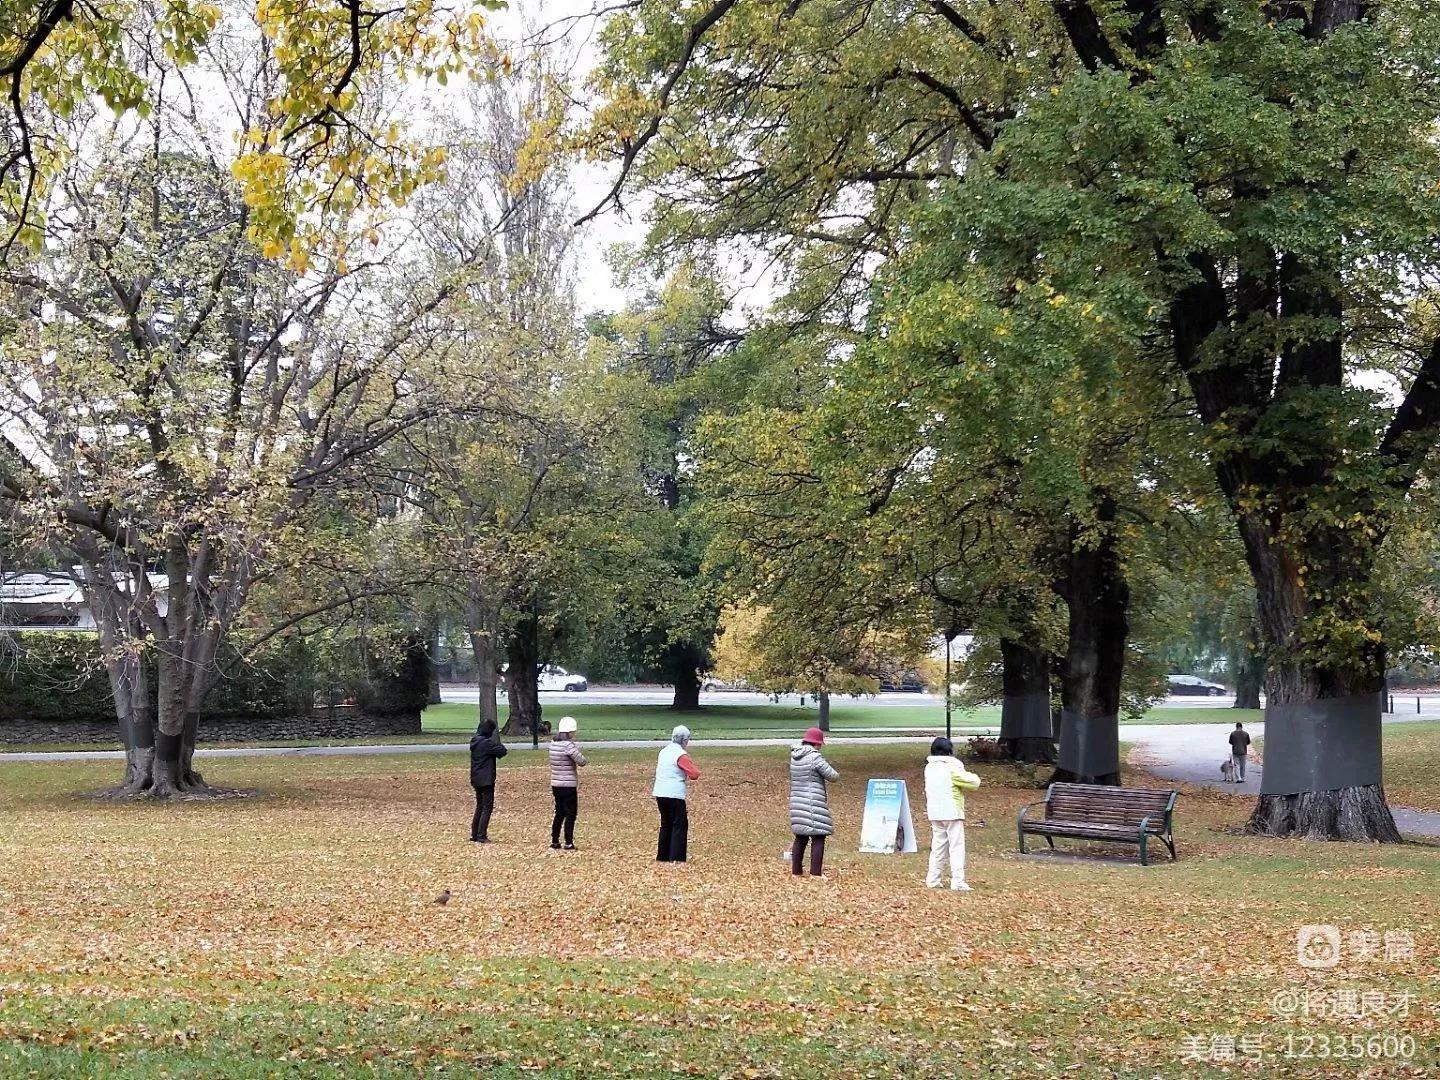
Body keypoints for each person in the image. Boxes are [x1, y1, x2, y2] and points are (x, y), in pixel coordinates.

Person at [922, 736, 981, 891]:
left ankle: (933, 879)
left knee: (938, 847)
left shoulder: (929, 768)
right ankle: (958, 881)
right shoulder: (952, 768)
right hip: (952, 812)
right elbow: (974, 783)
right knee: (956, 847)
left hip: (935, 812)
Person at [788, 726, 839, 877]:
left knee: (801, 835)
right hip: (812, 802)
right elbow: (833, 776)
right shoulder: (815, 757)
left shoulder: (795, 757)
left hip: (797, 800)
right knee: (819, 835)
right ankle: (815, 873)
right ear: (816, 743)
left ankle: (796, 871)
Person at [653, 725, 701, 862]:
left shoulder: (664, 751)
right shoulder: (680, 755)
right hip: (674, 794)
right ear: (685, 740)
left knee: (666, 823)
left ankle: (662, 856)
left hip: (660, 792)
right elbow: (694, 774)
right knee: (679, 825)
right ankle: (676, 857)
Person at [549, 715, 586, 850]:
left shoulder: (553, 744)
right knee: (571, 813)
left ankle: (555, 840)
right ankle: (568, 842)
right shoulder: (568, 746)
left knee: (559, 812)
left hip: (556, 783)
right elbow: (581, 761)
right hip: (568, 784)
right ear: (570, 731)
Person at [468, 718, 508, 842]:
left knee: (480, 806)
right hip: (486, 779)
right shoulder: (487, 744)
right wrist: (497, 743)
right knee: (487, 807)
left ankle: (475, 834)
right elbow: (502, 751)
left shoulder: (475, 742)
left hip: (476, 777)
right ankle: (481, 835)